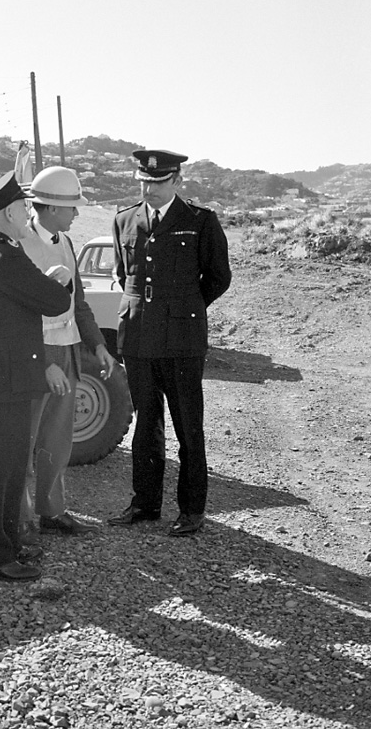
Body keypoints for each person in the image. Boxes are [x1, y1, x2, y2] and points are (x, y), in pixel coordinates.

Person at [107, 150, 231, 536]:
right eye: (143, 182)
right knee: (146, 425)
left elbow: (218, 277)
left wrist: (184, 307)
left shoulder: (199, 220)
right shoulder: (124, 219)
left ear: (177, 181)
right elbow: (122, 273)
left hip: (181, 340)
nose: (149, 189)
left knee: (188, 426)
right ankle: (145, 504)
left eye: (158, 183)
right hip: (139, 337)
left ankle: (192, 510)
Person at [0, 171, 72, 581]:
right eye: (24, 207)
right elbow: (54, 301)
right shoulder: (5, 256)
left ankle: (6, 548)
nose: (28, 213)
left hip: (1, 373)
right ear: (9, 212)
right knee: (2, 471)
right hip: (3, 376)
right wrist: (59, 279)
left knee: (9, 467)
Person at [20, 166, 117, 539]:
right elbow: (18, 314)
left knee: (57, 443)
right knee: (23, 444)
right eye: (72, 207)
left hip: (68, 354)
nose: (77, 214)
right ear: (51, 207)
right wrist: (43, 363)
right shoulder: (20, 242)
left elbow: (79, 304)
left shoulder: (65, 242)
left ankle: (51, 511)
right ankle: (22, 521)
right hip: (36, 358)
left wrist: (97, 345)